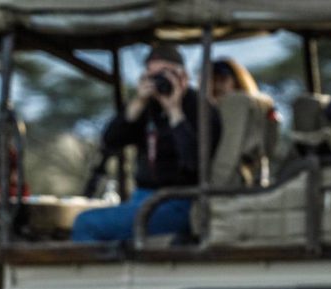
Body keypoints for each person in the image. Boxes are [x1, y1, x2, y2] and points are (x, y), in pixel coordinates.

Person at [71, 43, 221, 243]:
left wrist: (174, 112)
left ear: (183, 75)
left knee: (86, 223)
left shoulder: (201, 108)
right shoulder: (147, 105)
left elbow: (194, 164)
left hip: (180, 200)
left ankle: (89, 275)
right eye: (153, 75)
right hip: (143, 197)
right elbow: (110, 140)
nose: (159, 81)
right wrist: (138, 102)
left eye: (165, 74)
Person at [207, 57, 278, 187]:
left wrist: (215, 186)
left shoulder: (236, 104)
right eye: (212, 80)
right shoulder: (259, 104)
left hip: (232, 184)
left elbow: (229, 153)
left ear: (237, 82)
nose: (216, 86)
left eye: (222, 80)